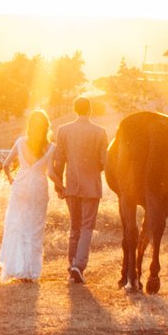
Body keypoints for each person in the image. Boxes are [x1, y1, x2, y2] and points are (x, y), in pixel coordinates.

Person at [46, 95, 108, 284]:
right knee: (87, 227)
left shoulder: (63, 130)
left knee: (74, 228)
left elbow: (59, 160)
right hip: (91, 187)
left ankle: (71, 265)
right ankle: (78, 266)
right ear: (90, 110)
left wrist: (59, 186)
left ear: (75, 109)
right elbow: (104, 162)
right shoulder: (100, 132)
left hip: (71, 186)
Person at [0, 109, 56, 281]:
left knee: (18, 225)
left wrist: (11, 180)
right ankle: (30, 272)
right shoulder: (51, 147)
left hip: (21, 186)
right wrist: (62, 187)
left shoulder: (21, 142)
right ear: (46, 127)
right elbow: (51, 174)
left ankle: (17, 267)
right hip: (38, 187)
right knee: (35, 229)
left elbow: (5, 165)